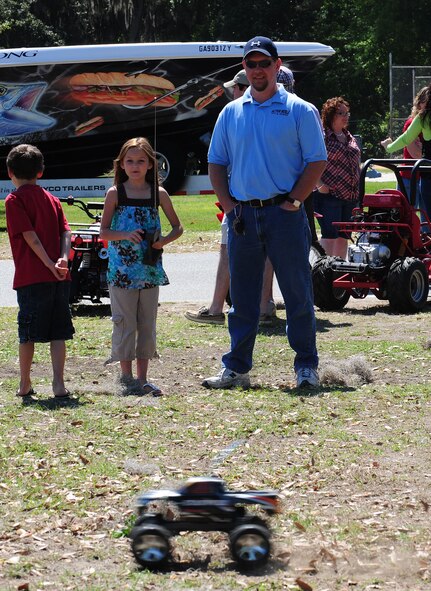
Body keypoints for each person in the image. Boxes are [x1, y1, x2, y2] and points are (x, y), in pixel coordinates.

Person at [202, 36, 327, 390]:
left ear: (277, 65)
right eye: (251, 64)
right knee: (242, 298)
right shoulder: (231, 112)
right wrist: (228, 207)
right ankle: (236, 367)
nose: (257, 70)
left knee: (297, 293)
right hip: (243, 215)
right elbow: (216, 162)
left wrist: (296, 201)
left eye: (263, 63)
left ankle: (306, 367)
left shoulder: (300, 109)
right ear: (245, 68)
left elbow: (317, 160)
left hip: (284, 214)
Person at [185, 70, 276, 326]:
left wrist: (229, 204)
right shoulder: (241, 116)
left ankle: (218, 308)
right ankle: (261, 306)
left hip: (242, 201)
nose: (232, 93)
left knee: (229, 251)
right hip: (244, 201)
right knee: (260, 253)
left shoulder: (240, 116)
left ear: (244, 88)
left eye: (235, 88)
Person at [100, 137, 183, 396]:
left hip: (149, 269)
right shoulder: (115, 193)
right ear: (121, 164)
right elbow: (104, 231)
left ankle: (143, 378)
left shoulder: (158, 193)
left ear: (151, 164)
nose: (135, 166)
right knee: (125, 322)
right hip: (122, 272)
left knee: (146, 322)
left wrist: (162, 242)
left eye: (141, 161)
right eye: (130, 161)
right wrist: (124, 235)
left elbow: (178, 227)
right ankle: (126, 378)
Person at [5, 144, 75, 400]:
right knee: (58, 332)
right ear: (41, 172)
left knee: (28, 334)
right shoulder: (52, 199)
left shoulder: (14, 200)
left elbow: (30, 237)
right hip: (60, 276)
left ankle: (25, 383)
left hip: (31, 277)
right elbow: (66, 232)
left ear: (10, 172)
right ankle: (58, 384)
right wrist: (62, 259)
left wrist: (48, 263)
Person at [313, 97, 361, 259]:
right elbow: (310, 161)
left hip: (350, 195)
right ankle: (324, 274)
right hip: (329, 196)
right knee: (329, 236)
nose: (346, 116)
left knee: (343, 237)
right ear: (330, 115)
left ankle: (339, 274)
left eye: (347, 113)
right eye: (341, 113)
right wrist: (320, 185)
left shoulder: (348, 136)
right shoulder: (322, 136)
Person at [381, 84, 431, 221]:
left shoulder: (423, 118)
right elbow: (407, 139)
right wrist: (390, 147)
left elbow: (406, 139)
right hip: (424, 176)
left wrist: (389, 147)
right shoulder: (422, 118)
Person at [397, 87, 427, 202]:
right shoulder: (411, 123)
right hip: (410, 178)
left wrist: (422, 149)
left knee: (427, 218)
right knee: (408, 217)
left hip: (425, 178)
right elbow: (416, 154)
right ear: (419, 104)